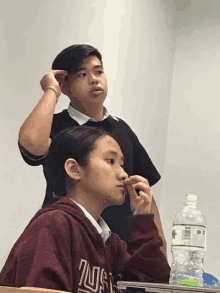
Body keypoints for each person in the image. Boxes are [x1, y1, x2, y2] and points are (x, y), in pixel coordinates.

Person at [18, 44, 167, 254]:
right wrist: (51, 89)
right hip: (67, 240)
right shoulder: (58, 125)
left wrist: (160, 250)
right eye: (82, 74)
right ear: (65, 84)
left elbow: (144, 193)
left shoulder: (122, 129)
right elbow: (32, 146)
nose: (94, 79)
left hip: (120, 250)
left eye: (99, 71)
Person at [0, 126, 170, 292]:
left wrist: (142, 221)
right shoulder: (53, 226)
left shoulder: (110, 242)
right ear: (74, 169)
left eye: (122, 164)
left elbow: (151, 286)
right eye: (110, 161)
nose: (124, 174)